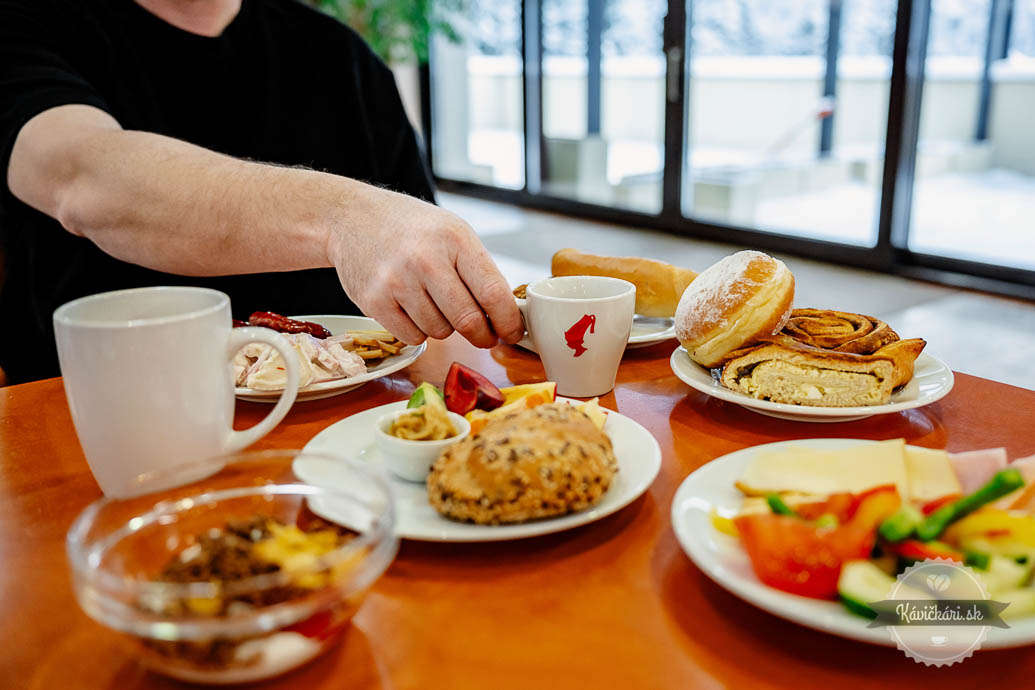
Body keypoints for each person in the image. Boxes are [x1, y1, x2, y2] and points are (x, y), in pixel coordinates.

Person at [0, 0, 523, 384]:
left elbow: (424, 296)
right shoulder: (25, 29)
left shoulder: (343, 58)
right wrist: (343, 218)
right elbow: (86, 180)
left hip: (353, 434)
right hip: (108, 431)